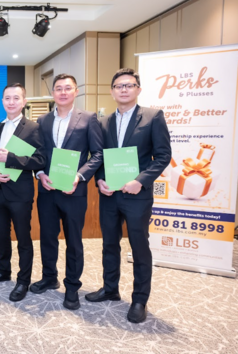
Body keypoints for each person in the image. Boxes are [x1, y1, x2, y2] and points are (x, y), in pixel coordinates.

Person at [86, 68, 171, 323]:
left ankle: (139, 299)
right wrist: (99, 179)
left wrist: (140, 181)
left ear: (138, 89)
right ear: (112, 91)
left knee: (139, 247)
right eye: (119, 86)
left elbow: (163, 156)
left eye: (129, 85)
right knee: (109, 244)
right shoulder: (103, 122)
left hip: (137, 196)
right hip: (110, 195)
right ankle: (110, 288)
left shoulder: (153, 117)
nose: (124, 89)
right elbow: (98, 156)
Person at [31, 74, 104, 311]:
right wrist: (40, 174)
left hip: (74, 191)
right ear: (53, 93)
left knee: (74, 240)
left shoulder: (89, 118)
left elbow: (98, 154)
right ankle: (49, 277)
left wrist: (79, 176)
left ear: (75, 92)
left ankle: (72, 286)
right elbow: (37, 155)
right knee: (47, 237)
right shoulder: (41, 121)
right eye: (58, 88)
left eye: (68, 88)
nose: (63, 92)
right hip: (48, 189)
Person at [0, 83, 45, 302]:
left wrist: (10, 158)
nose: (11, 102)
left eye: (16, 98)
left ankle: (23, 280)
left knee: (23, 238)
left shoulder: (33, 128)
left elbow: (40, 160)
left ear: (24, 102)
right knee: (1, 235)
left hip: (20, 192)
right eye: (7, 98)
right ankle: (3, 270)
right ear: (2, 101)